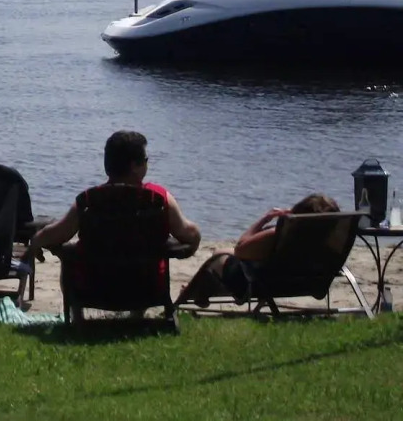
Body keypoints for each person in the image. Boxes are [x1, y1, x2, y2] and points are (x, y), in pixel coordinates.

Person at [24, 130, 201, 264]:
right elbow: (189, 234)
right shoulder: (159, 198)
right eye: (146, 159)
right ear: (135, 165)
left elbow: (58, 233)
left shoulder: (88, 200)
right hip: (148, 289)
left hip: (94, 290)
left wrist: (35, 242)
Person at [176, 193, 339, 305]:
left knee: (218, 257)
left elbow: (240, 248)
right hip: (304, 285)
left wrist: (265, 219)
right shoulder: (328, 243)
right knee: (224, 253)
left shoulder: (278, 236)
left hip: (260, 285)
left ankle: (188, 295)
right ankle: (199, 294)